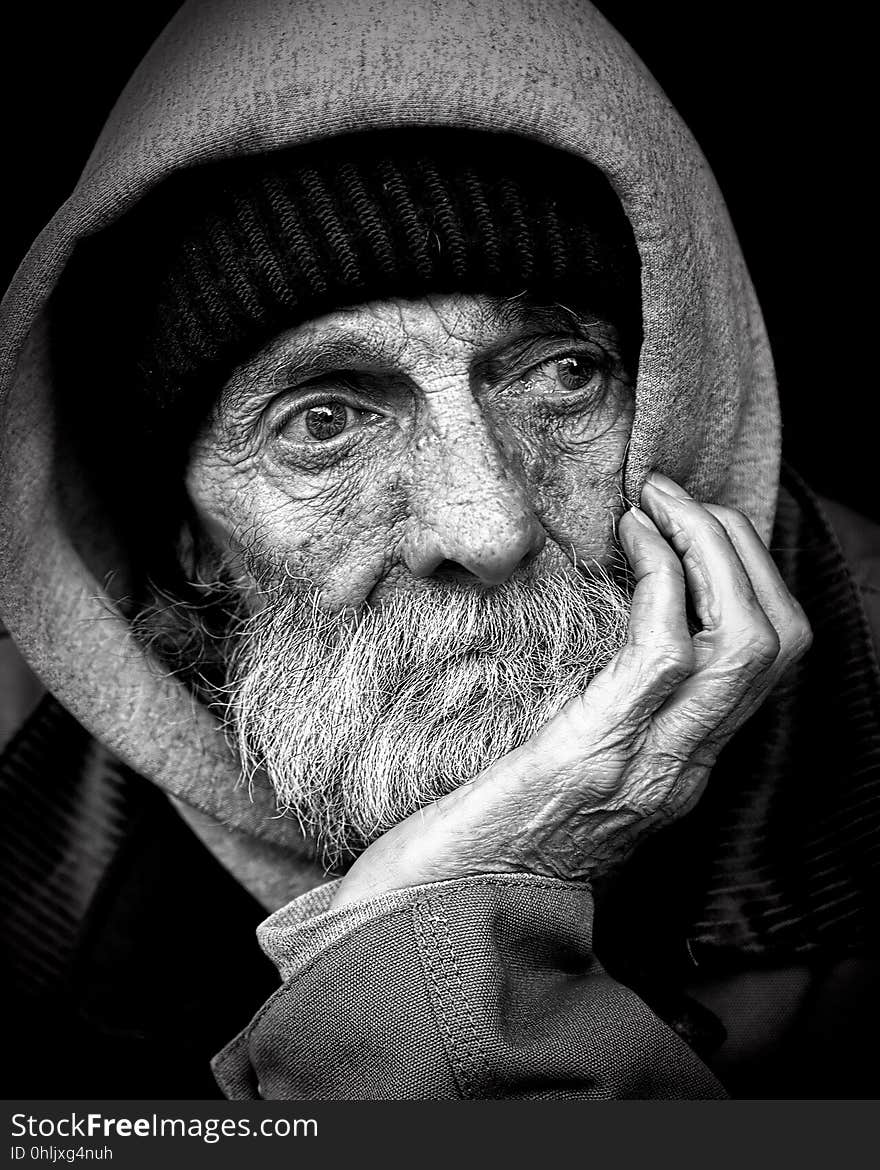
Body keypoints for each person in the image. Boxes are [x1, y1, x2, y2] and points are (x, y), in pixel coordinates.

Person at [1, 0, 879, 1100]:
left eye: (562, 373)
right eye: (323, 421)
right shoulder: (43, 900)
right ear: (187, 538)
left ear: (679, 400)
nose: (487, 526)